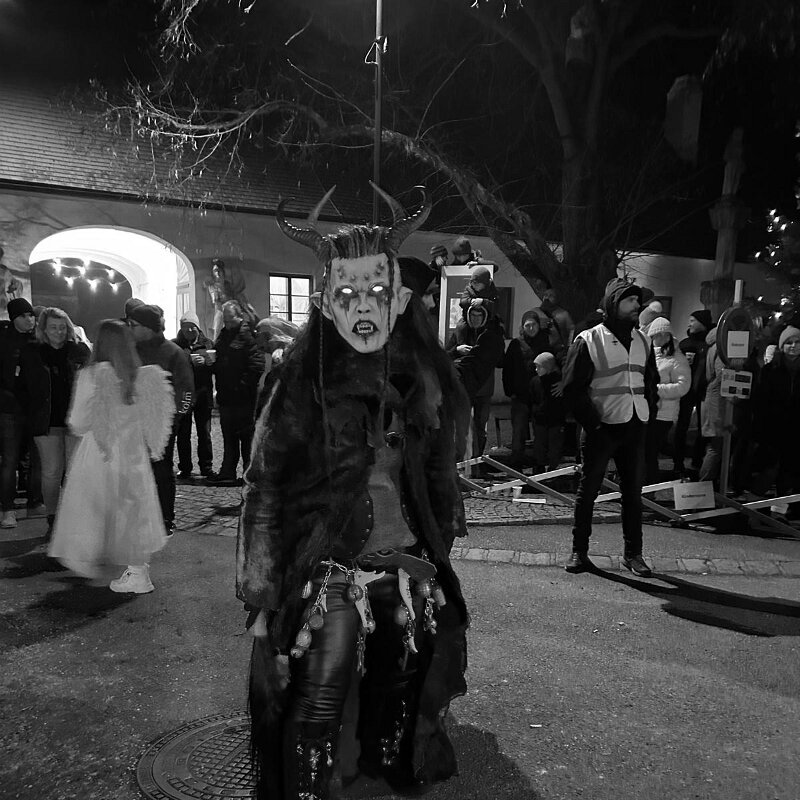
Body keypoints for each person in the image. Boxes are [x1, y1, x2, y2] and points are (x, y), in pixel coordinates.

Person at [238, 187, 469, 800]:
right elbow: (265, 488)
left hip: (406, 569)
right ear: (324, 303)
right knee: (317, 703)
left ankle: (386, 774)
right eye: (346, 294)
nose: (362, 305)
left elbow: (438, 474)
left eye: (376, 292)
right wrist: (263, 592)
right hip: (327, 574)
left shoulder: (423, 377)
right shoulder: (296, 380)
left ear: (398, 300)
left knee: (399, 689)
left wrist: (443, 540)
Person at [48, 320, 174, 593]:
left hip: (99, 451)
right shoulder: (143, 377)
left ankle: (89, 559)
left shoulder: (91, 376)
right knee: (132, 510)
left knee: (90, 507)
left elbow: (78, 421)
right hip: (133, 453)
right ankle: (138, 572)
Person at [561, 278, 658, 577]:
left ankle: (634, 554)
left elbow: (649, 383)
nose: (636, 305)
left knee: (633, 495)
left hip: (634, 426)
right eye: (630, 301)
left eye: (637, 301)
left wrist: (648, 416)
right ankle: (579, 552)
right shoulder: (589, 339)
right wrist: (594, 424)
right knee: (587, 492)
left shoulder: (644, 341)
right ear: (614, 304)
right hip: (601, 428)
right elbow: (572, 388)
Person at [22, 307, 91, 532]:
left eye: (62, 327)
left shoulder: (79, 351)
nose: (59, 332)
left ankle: (73, 518)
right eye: (53, 327)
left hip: (75, 420)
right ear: (43, 329)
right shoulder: (32, 352)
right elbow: (23, 387)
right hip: (46, 420)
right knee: (51, 472)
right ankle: (52, 517)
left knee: (75, 472)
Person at [127, 303, 194, 533]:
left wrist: (174, 419)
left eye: (134, 324)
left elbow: (186, 390)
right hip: (132, 421)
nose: (130, 328)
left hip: (160, 423)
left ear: (147, 327)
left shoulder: (173, 352)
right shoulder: (130, 349)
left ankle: (165, 517)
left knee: (162, 470)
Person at [206, 300, 264, 485]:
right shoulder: (224, 335)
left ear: (239, 316)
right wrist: (212, 364)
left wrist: (242, 386)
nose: (227, 323)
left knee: (247, 436)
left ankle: (249, 472)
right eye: (225, 319)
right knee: (228, 435)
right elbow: (220, 360)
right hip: (226, 395)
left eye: (230, 319)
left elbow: (257, 365)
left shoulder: (247, 336)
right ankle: (228, 470)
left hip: (243, 397)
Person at [0, 299, 45, 528]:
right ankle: (7, 508)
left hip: (35, 408)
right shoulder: (5, 341)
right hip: (10, 408)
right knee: (10, 459)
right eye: (23, 316)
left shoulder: (38, 340)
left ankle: (34, 501)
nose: (29, 319)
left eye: (31, 315)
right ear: (13, 318)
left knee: (38, 458)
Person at [750, 325, 800, 517]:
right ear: (781, 346)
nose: (793, 346)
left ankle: (780, 513)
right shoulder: (771, 369)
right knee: (768, 468)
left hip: (795, 428)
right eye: (789, 342)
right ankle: (752, 509)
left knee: (790, 471)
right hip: (773, 428)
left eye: (797, 342)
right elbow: (761, 400)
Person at [446, 303, 504, 460]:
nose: (476, 319)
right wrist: (457, 350)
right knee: (462, 424)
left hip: (484, 387)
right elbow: (446, 355)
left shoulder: (490, 335)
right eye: (473, 315)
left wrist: (485, 354)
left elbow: (500, 361)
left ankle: (477, 459)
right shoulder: (461, 332)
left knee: (480, 425)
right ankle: (462, 459)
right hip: (463, 386)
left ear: (485, 317)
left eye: (479, 316)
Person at [502, 309, 556, 469]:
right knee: (518, 431)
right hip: (520, 395)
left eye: (534, 325)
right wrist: (509, 390)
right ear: (522, 327)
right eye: (527, 325)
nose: (531, 328)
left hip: (540, 396)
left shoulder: (545, 343)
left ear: (538, 326)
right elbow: (508, 369)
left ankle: (539, 465)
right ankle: (516, 464)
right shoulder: (516, 344)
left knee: (540, 433)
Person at [644, 317, 691, 484]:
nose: (659, 338)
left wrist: (656, 389)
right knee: (645, 450)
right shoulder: (650, 355)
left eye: (665, 334)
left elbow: (683, 386)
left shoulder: (677, 358)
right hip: (648, 410)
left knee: (650, 451)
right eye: (655, 336)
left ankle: (649, 487)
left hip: (663, 413)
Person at [172, 311, 214, 479]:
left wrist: (208, 363)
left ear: (198, 327)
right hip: (184, 395)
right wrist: (189, 361)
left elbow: (216, 367)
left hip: (203, 394)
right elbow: (174, 366)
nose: (189, 331)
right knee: (183, 433)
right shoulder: (175, 346)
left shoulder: (208, 344)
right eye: (185, 327)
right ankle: (185, 467)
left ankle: (206, 466)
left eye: (192, 327)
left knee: (204, 432)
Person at [674, 309, 715, 477]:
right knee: (681, 427)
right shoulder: (685, 344)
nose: (689, 323)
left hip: (704, 392)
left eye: (693, 320)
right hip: (686, 390)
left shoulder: (710, 345)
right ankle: (678, 463)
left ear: (702, 323)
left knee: (702, 428)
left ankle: (696, 462)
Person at [529, 352, 566, 472]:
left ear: (548, 367)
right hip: (540, 419)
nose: (536, 370)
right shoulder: (535, 381)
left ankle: (553, 469)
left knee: (554, 445)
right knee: (539, 444)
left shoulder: (558, 381)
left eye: (540, 367)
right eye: (536, 367)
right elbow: (533, 398)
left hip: (555, 419)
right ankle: (539, 466)